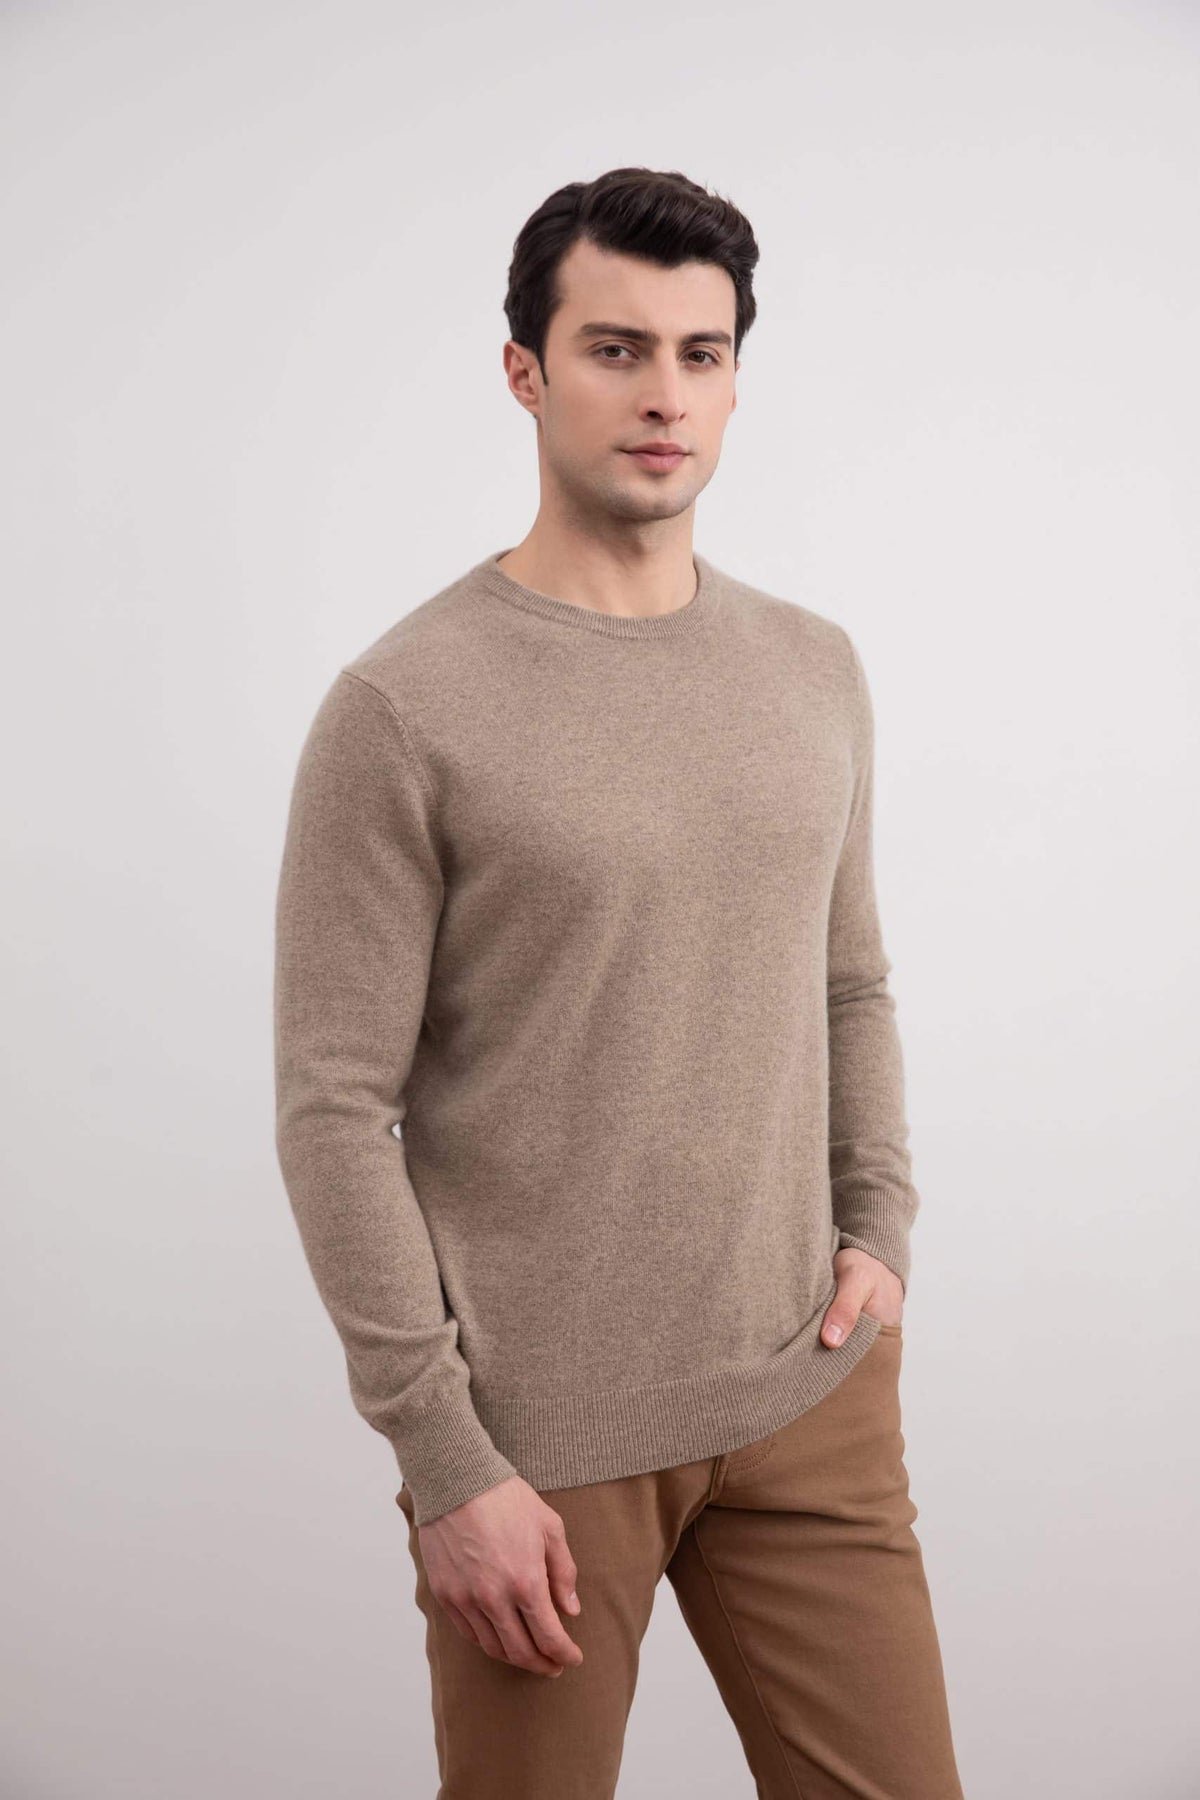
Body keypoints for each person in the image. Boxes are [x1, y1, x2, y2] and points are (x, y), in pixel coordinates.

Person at [273, 165, 965, 1799]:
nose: (665, 395)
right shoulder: (404, 707)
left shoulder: (813, 667)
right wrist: (446, 1459)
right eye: (616, 349)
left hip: (807, 1390)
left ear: (733, 380)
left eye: (700, 355)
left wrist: (879, 1227)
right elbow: (333, 1108)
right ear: (525, 372)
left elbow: (848, 981)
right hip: (540, 1444)